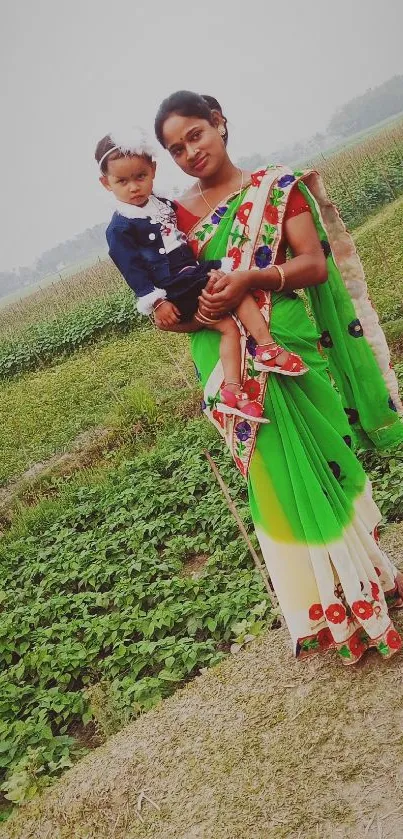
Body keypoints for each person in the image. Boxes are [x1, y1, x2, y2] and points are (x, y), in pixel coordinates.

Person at [154, 89, 403, 665]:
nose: (189, 153)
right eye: (175, 148)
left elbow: (312, 264)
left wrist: (248, 281)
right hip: (227, 365)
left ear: (219, 123)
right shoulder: (174, 217)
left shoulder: (274, 189)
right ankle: (332, 612)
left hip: (288, 343)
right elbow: (176, 307)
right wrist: (191, 315)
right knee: (278, 483)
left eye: (195, 134)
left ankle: (370, 583)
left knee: (326, 467)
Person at [94, 130, 307, 424]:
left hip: (189, 275)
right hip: (174, 286)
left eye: (140, 176)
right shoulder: (120, 228)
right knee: (234, 286)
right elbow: (131, 269)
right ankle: (267, 348)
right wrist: (157, 304)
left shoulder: (163, 206)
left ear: (153, 170)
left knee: (229, 328)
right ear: (106, 183)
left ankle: (233, 392)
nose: (134, 187)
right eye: (122, 181)